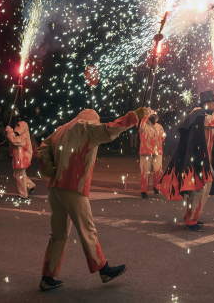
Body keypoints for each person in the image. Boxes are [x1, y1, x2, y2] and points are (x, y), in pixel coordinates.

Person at [36, 106, 146, 291]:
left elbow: (41, 150)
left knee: (58, 234)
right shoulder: (85, 127)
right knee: (87, 229)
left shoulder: (61, 129)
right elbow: (110, 130)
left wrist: (49, 168)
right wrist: (133, 117)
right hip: (73, 185)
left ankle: (47, 276)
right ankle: (103, 269)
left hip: (55, 187)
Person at [159, 91, 214, 232]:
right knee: (198, 191)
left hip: (203, 161)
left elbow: (206, 139)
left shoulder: (202, 116)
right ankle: (192, 220)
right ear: (206, 103)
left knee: (199, 191)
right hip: (198, 162)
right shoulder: (198, 115)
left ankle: (191, 216)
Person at [139, 109, 165, 199]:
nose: (153, 119)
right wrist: (143, 118)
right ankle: (143, 191)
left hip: (158, 151)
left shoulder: (159, 126)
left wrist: (160, 139)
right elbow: (141, 129)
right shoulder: (143, 125)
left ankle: (156, 187)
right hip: (146, 152)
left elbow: (163, 136)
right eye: (151, 117)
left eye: (154, 117)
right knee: (145, 172)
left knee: (158, 170)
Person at [6, 121, 36, 199]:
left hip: (22, 158)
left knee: (20, 175)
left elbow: (14, 141)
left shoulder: (24, 135)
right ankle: (31, 186)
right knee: (18, 175)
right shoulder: (23, 134)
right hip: (20, 158)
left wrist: (10, 131)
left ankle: (23, 194)